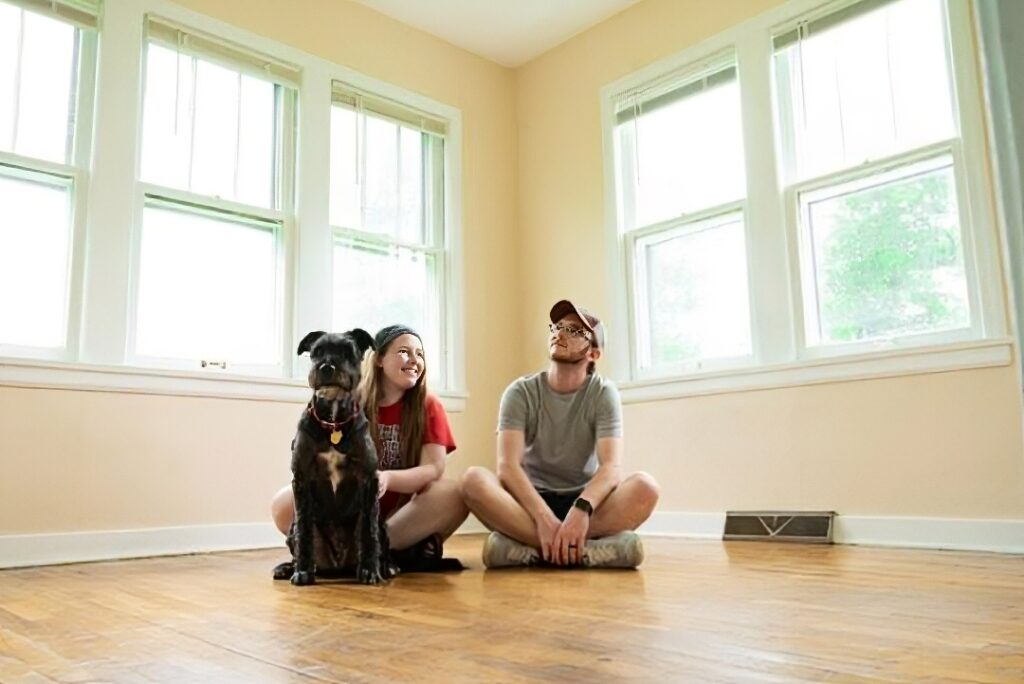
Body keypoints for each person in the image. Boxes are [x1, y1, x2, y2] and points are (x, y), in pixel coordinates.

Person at [460, 300, 660, 568]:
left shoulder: (603, 393)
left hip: (584, 499)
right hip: (530, 502)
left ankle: (529, 551)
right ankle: (588, 551)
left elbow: (611, 467)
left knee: (646, 487)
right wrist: (543, 517)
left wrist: (581, 510)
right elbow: (508, 466)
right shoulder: (520, 392)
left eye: (576, 330)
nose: (560, 333)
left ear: (594, 354)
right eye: (557, 326)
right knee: (473, 481)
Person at [272, 324, 468, 571]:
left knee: (456, 493)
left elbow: (433, 469)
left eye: (420, 354)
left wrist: (387, 478)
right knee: (283, 503)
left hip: (401, 515)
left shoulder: (429, 404)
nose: (414, 360)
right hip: (348, 512)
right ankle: (374, 553)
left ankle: (374, 550)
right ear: (378, 360)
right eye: (404, 352)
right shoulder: (349, 400)